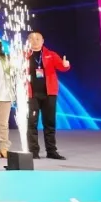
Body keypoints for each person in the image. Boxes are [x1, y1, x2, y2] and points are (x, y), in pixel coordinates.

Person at [27, 30, 70, 160]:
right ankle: (33, 151)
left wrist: (65, 65)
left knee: (49, 123)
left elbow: (62, 67)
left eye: (37, 39)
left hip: (49, 94)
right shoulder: (24, 55)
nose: (35, 41)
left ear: (43, 41)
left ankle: (51, 151)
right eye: (32, 39)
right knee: (32, 123)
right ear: (28, 41)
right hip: (31, 95)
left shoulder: (50, 54)